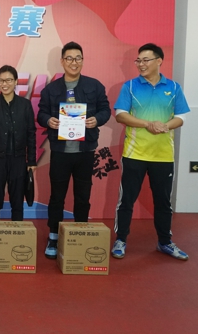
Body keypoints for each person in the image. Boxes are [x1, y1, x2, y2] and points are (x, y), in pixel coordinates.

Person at [111, 43, 190, 261]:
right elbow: (120, 114)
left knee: (163, 202)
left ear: (159, 61)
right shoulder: (130, 86)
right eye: (138, 60)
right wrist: (148, 124)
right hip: (134, 154)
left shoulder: (173, 88)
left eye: (146, 60)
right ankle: (121, 240)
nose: (141, 64)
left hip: (163, 156)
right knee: (126, 200)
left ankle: (165, 242)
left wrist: (165, 126)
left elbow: (181, 117)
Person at [37, 42, 111, 259]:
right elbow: (41, 113)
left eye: (78, 58)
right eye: (69, 58)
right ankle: (53, 235)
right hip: (60, 151)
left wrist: (97, 119)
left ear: (83, 60)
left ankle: (80, 231)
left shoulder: (94, 86)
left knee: (83, 195)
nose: (74, 62)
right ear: (62, 61)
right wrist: (48, 120)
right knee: (57, 196)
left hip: (85, 150)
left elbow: (106, 109)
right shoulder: (51, 89)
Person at [0, 65, 37, 221]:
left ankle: (17, 235)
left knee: (17, 204)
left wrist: (31, 160)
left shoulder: (25, 105)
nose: (5, 84)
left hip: (18, 161)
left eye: (9, 80)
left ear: (16, 81)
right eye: (1, 80)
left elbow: (31, 133)